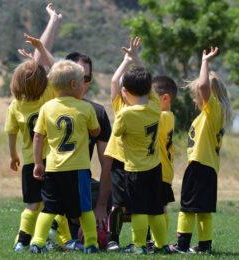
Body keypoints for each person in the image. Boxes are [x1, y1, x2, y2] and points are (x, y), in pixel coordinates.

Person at [33, 3, 113, 230]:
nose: (83, 84)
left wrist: (101, 205)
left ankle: (102, 232)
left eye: (87, 78)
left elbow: (106, 162)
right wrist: (54, 22)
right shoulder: (51, 98)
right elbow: (38, 61)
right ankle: (59, 230)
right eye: (79, 78)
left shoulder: (95, 110)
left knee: (122, 185)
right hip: (51, 179)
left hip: (79, 181)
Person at [106, 37, 169, 254]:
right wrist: (133, 60)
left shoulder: (124, 113)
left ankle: (138, 246)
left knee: (138, 210)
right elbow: (146, 86)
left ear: (125, 91)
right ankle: (161, 246)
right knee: (155, 210)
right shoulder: (154, 106)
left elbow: (116, 132)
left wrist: (128, 62)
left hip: (135, 169)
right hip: (154, 166)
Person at [30, 60, 101, 254]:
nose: (84, 86)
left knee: (49, 208)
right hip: (78, 169)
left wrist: (38, 163)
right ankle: (91, 243)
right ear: (73, 85)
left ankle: (37, 242)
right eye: (82, 82)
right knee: (85, 208)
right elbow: (96, 131)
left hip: (53, 168)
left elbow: (37, 136)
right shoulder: (85, 108)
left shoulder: (47, 108)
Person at [4, 35, 67, 252]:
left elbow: (11, 133)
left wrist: (13, 156)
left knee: (32, 204)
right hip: (51, 160)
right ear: (43, 81)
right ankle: (55, 234)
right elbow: (58, 69)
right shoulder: (48, 94)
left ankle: (22, 240)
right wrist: (41, 48)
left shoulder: (15, 106)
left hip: (30, 161)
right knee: (58, 201)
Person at [170, 47, 232, 254]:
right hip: (209, 168)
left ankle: (181, 246)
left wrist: (204, 61)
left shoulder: (213, 110)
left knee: (187, 208)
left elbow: (205, 85)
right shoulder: (213, 114)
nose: (196, 98)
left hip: (199, 166)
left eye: (197, 94)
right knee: (203, 210)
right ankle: (204, 247)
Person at [103, 37, 142, 252]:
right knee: (119, 203)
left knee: (130, 204)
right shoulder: (124, 106)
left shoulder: (140, 108)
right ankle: (116, 239)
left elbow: (115, 81)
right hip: (124, 161)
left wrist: (131, 60)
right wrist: (130, 60)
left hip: (133, 163)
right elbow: (114, 81)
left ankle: (129, 240)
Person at [152, 75, 178, 241]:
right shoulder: (168, 116)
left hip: (161, 171)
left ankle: (159, 242)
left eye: (151, 98)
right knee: (158, 207)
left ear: (165, 98)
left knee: (159, 208)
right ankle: (156, 241)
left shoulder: (164, 117)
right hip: (162, 171)